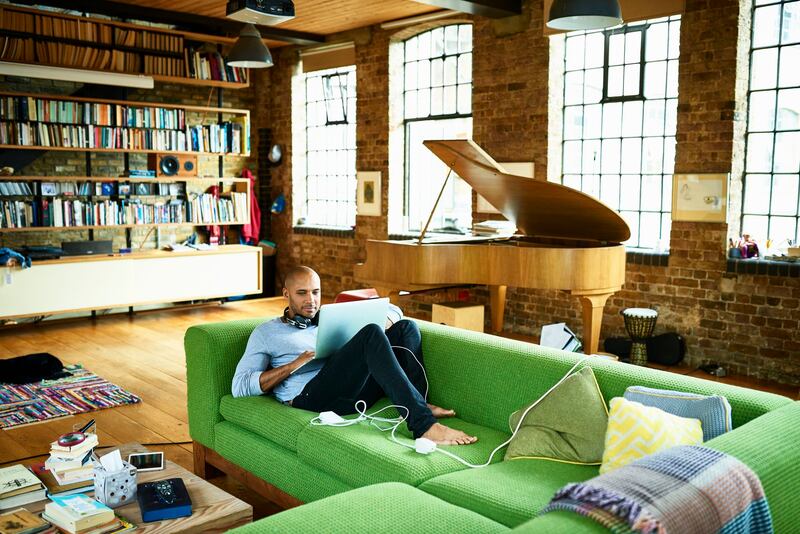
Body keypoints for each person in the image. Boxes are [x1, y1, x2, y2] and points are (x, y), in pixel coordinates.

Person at [232, 265, 477, 445]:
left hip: (351, 390)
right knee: (370, 333)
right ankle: (424, 425)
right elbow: (239, 386)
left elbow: (394, 309)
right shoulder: (267, 332)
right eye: (302, 293)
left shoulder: (329, 317)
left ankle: (418, 402)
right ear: (286, 294)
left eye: (316, 292)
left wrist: (387, 320)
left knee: (406, 328)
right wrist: (293, 365)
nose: (311, 300)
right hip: (310, 398)